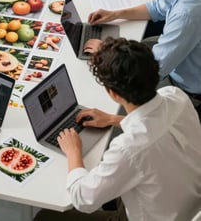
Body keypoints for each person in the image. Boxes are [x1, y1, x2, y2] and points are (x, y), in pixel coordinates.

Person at [34, 37, 201, 221]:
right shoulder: (177, 96)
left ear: (112, 93)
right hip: (189, 201)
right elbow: (154, 125)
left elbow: (82, 198)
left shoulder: (128, 149)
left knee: (45, 217)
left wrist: (73, 152)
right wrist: (114, 119)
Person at [85, 0, 201, 119]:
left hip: (184, 90)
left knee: (108, 84)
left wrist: (105, 53)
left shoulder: (186, 14)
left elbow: (151, 71)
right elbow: (156, 7)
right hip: (177, 62)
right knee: (135, 46)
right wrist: (116, 14)